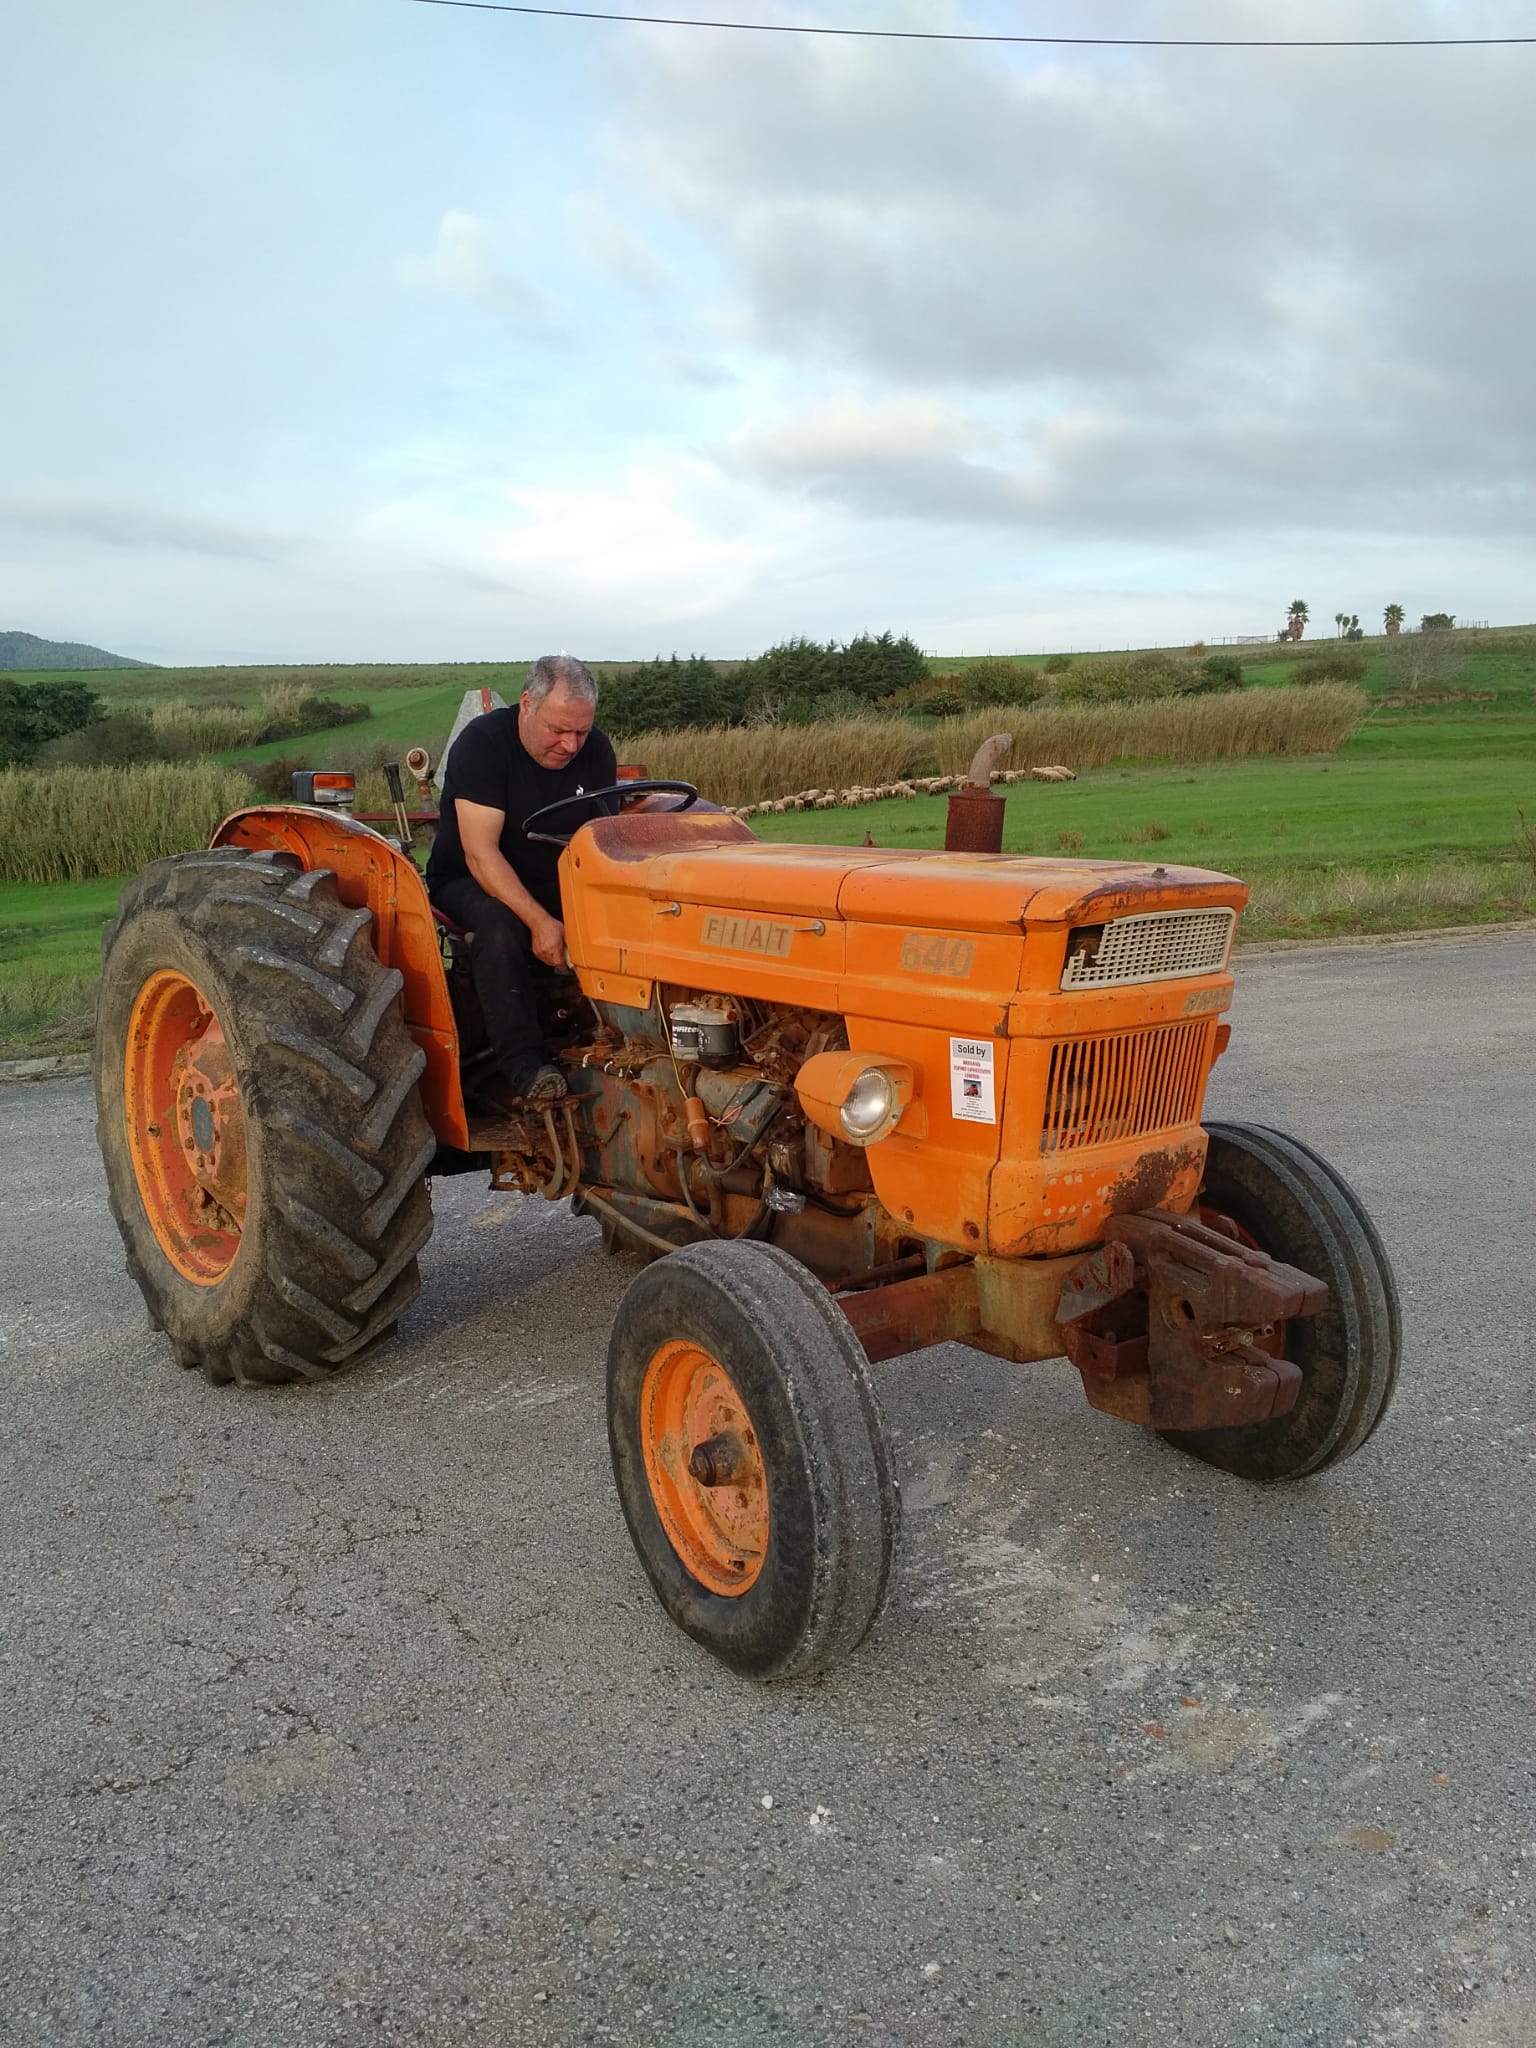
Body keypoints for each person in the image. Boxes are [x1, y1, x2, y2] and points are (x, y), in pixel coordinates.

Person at [426, 654, 618, 1104]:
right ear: (527, 704)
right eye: (559, 730)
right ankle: (526, 1069)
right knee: (499, 924)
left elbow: (603, 841)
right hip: (468, 880)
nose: (572, 746)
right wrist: (540, 922)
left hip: (556, 878)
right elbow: (480, 854)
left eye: (581, 731)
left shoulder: (597, 751)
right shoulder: (483, 745)